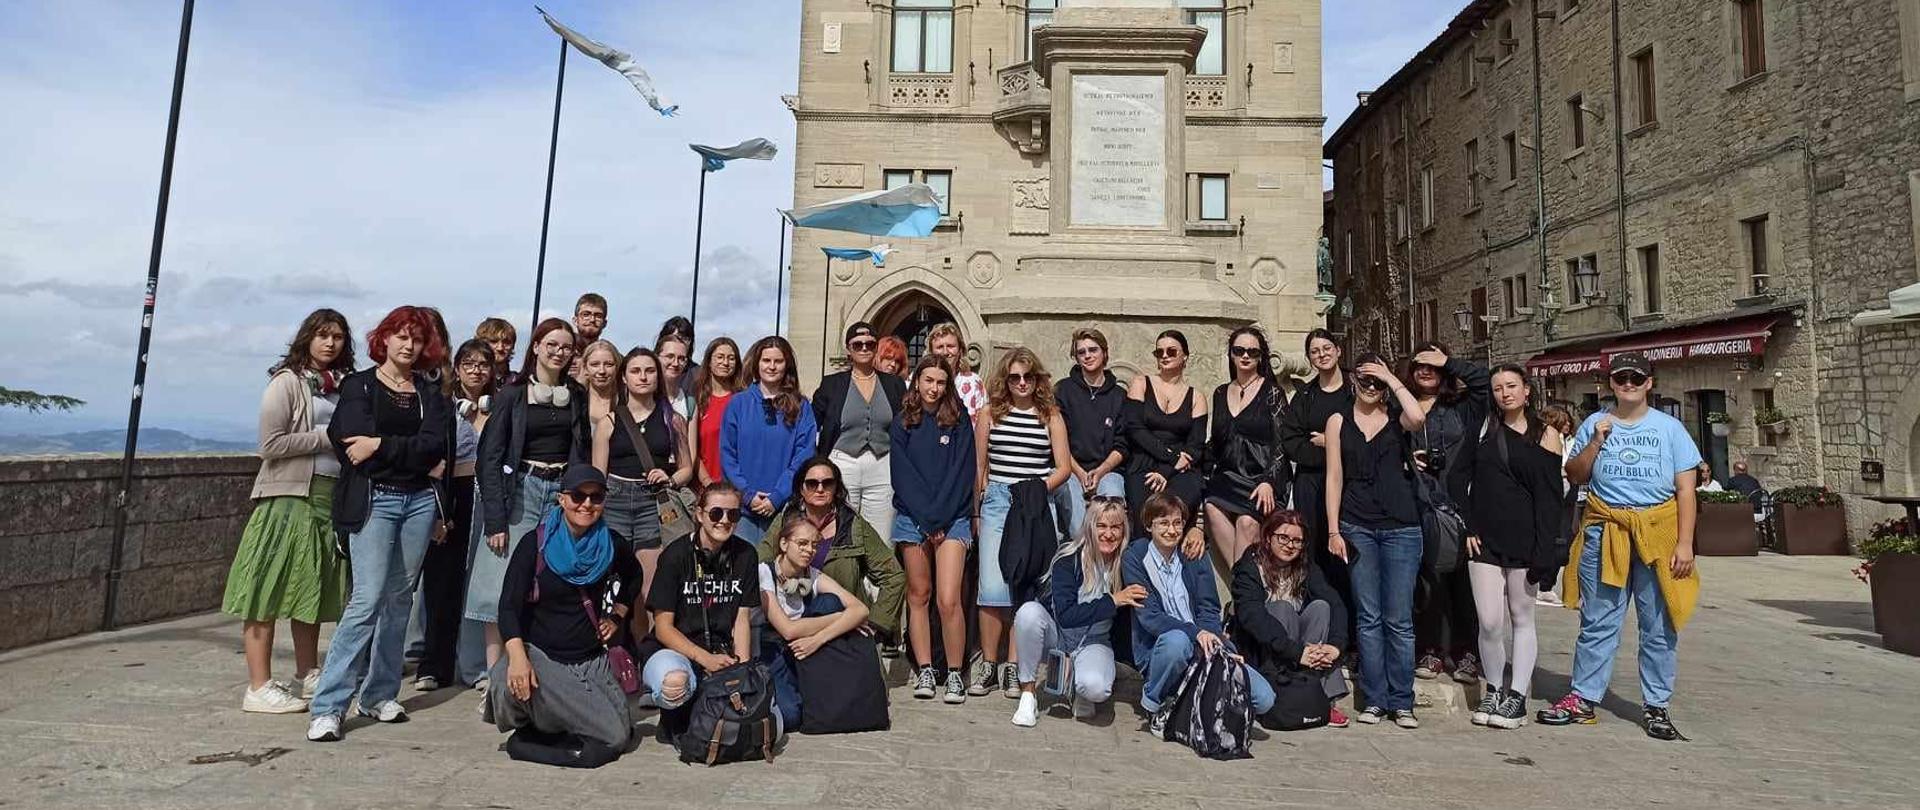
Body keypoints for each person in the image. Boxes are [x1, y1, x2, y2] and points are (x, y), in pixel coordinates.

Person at [306, 306, 452, 742]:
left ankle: (379, 694)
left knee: (399, 599)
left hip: (419, 502)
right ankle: (329, 706)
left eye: (417, 339)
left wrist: (380, 445)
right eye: (401, 336)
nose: (409, 345)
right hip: (376, 500)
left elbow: (433, 448)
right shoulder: (360, 385)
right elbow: (351, 444)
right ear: (384, 339)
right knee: (366, 600)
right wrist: (401, 452)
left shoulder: (429, 393)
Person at [1539, 352, 1701, 742]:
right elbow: (1575, 474)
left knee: (1658, 624)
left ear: (1649, 383)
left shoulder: (1670, 429)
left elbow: (1686, 490)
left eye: (1636, 378)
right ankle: (1583, 698)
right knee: (1598, 621)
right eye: (1621, 378)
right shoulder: (1595, 423)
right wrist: (1596, 441)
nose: (1628, 384)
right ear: (1611, 383)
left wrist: (1685, 544)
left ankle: (1656, 704)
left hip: (1656, 532)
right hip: (1607, 530)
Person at [223, 308, 355, 713]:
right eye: (322, 335)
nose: (330, 343)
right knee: (266, 587)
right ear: (307, 338)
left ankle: (306, 673)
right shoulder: (287, 382)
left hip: (327, 498)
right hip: (288, 496)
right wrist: (327, 437)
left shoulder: (342, 385)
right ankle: (258, 685)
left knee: (309, 590)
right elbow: (271, 444)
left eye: (337, 337)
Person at [486, 465, 640, 764]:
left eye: (596, 497)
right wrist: (517, 659)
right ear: (562, 499)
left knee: (620, 735)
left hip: (590, 658)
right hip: (543, 658)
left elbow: (633, 576)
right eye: (578, 496)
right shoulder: (536, 544)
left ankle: (546, 727)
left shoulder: (610, 543)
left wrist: (617, 616)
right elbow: (508, 606)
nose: (587, 504)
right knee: (610, 737)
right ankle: (532, 740)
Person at [472, 319, 591, 686]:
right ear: (536, 346)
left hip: (559, 493)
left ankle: (540, 671)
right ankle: (495, 679)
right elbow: (489, 457)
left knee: (547, 582)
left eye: (566, 347)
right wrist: (495, 519)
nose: (559, 352)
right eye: (552, 344)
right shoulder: (513, 393)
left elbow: (581, 450)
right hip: (520, 489)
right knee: (498, 587)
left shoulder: (576, 395)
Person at [1324, 351, 1427, 729]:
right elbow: (1334, 476)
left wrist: (1392, 378)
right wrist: (1333, 529)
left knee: (1399, 618)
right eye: (1365, 379)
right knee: (1368, 617)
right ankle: (1375, 699)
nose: (1371, 387)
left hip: (1402, 525)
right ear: (1353, 381)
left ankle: (1402, 701)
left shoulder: (1398, 417)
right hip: (1357, 525)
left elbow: (1419, 417)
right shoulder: (1337, 420)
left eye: (1377, 382)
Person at [1463, 365, 1565, 729]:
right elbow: (1459, 478)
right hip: (1485, 539)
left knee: (1522, 618)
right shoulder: (1482, 429)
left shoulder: (1546, 434)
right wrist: (1468, 525)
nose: (1505, 393)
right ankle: (1493, 688)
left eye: (1511, 386)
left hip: (1526, 539)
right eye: (1497, 388)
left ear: (1526, 390)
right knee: (1489, 621)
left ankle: (1517, 696)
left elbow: (1551, 498)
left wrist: (1546, 550)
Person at [1125, 492, 1276, 735]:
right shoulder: (1135, 556)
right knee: (1177, 641)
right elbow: (1150, 617)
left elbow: (1208, 608)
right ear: (1149, 525)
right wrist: (1195, 633)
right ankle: (1153, 704)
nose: (1171, 530)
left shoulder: (1194, 553)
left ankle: (1194, 700)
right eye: (1163, 523)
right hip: (1162, 652)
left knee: (1264, 698)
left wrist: (1218, 645)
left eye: (1177, 523)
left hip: (1202, 647)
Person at [973, 347, 1075, 699]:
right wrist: (976, 510)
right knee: (991, 586)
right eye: (1014, 377)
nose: (1021, 383)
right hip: (998, 500)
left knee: (1024, 585)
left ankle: (1015, 667)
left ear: (1037, 379)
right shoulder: (989, 413)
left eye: (1027, 377)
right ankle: (989, 664)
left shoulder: (1050, 415)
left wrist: (1038, 488)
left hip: (1034, 504)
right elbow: (980, 466)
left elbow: (1064, 466)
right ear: (1005, 379)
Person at [890, 355, 979, 703]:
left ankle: (955, 672)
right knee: (918, 594)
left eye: (941, 382)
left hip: (951, 518)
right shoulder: (903, 421)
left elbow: (962, 473)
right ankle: (925, 668)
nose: (934, 388)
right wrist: (925, 520)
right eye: (928, 380)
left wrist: (939, 519)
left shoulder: (959, 421)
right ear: (917, 381)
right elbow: (902, 475)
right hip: (912, 518)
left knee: (948, 598)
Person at [1009, 497, 1142, 728]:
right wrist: (1113, 600)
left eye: (1115, 527)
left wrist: (1195, 532)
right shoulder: (1069, 559)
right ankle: (1028, 694)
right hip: (1060, 636)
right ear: (1090, 527)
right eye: (1101, 526)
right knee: (1028, 613)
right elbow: (1066, 616)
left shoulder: (1127, 561)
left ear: (1124, 530)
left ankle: (1079, 685)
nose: (1108, 534)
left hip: (1096, 640)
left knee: (1095, 688)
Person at [641, 482, 759, 738]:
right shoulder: (675, 555)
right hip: (676, 649)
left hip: (722, 650)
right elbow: (663, 628)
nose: (724, 521)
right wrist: (704, 659)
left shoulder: (746, 555)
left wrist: (742, 670)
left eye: (733, 514)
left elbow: (741, 620)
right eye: (716, 513)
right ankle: (671, 711)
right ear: (699, 514)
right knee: (674, 684)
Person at [1404, 341, 1491, 685]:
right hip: (1418, 500)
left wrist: (1449, 361)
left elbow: (1483, 381)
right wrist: (1409, 460)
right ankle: (1430, 649)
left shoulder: (1463, 406)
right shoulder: (1401, 406)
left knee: (1462, 582)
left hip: (1459, 502)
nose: (1426, 371)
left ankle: (1466, 652)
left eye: (1433, 366)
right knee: (1427, 581)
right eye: (1420, 365)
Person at [592, 347, 694, 639]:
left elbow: (687, 468)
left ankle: (647, 652)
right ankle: (613, 650)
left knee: (649, 589)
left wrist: (670, 479)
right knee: (612, 585)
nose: (643, 377)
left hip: (653, 503)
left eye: (649, 370)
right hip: (615, 501)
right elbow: (597, 476)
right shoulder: (609, 422)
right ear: (624, 378)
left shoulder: (673, 419)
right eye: (635, 371)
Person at [759, 457, 906, 652]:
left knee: (830, 603)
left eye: (827, 483)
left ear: (836, 488)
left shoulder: (853, 525)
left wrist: (876, 624)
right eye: (812, 483)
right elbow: (758, 564)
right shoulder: (786, 520)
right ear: (801, 489)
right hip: (791, 624)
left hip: (843, 629)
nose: (820, 489)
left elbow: (894, 576)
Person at [415, 339, 492, 691]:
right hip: (451, 495)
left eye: (483, 364)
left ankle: (475, 666)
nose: (476, 370)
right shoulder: (442, 405)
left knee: (479, 582)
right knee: (441, 581)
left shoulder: (499, 407)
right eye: (469, 363)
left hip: (487, 496)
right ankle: (434, 665)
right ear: (457, 368)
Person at [1230, 509, 1351, 729]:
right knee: (1282, 608)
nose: (1290, 545)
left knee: (1321, 608)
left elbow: (1336, 603)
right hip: (1261, 648)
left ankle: (1319, 696)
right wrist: (1297, 653)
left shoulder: (1305, 566)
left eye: (1297, 541)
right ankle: (1282, 691)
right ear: (1268, 538)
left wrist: (1335, 647)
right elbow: (1252, 617)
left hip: (1300, 649)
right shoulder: (1250, 566)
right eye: (1283, 538)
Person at [758, 513, 875, 729]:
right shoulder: (764, 572)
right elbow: (788, 630)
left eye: (814, 545)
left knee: (830, 601)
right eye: (802, 543)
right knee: (791, 716)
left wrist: (818, 639)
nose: (809, 550)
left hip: (808, 647)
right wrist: (842, 617)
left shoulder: (811, 575)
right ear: (784, 544)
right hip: (773, 651)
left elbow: (861, 610)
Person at [1278, 329, 1356, 620]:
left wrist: (1332, 441)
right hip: (1311, 482)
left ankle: (1351, 625)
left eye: (1326, 348)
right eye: (1314, 351)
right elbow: (1291, 439)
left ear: (1338, 350)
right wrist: (1325, 453)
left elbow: (1366, 431)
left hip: (1350, 481)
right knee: (1314, 551)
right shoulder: (1306, 396)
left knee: (1346, 552)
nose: (1321, 354)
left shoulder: (1355, 389)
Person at [1202, 327, 1291, 566]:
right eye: (1239, 350)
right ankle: (1243, 581)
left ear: (1261, 357)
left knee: (1246, 522)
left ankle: (1242, 583)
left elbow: (1282, 443)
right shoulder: (1220, 392)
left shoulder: (1272, 392)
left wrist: (1269, 481)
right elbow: (1217, 441)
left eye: (1252, 352)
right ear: (1231, 354)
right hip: (1229, 476)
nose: (1245, 356)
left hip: (1261, 478)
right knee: (1211, 505)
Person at [812, 322, 906, 544]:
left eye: (870, 344)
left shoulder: (894, 385)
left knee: (881, 538)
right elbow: (811, 424)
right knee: (841, 533)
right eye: (858, 344)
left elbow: (904, 424)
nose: (864, 348)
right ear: (849, 349)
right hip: (843, 462)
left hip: (882, 464)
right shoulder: (832, 384)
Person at [722, 336, 817, 544]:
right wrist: (747, 495)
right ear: (757, 364)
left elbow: (804, 456)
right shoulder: (738, 404)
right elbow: (728, 455)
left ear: (787, 365)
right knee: (744, 562)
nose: (772, 366)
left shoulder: (802, 407)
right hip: (743, 507)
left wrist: (778, 496)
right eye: (766, 360)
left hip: (783, 508)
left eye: (778, 361)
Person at [1124, 330, 1207, 532]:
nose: (1164, 356)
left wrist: (1166, 470)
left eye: (1171, 351)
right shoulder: (1141, 383)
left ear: (1184, 356)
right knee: (1146, 517)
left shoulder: (1197, 397)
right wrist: (1170, 458)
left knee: (1177, 511)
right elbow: (1135, 429)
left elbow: (1195, 446)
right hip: (1144, 462)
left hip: (1181, 468)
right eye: (1159, 352)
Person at [1056, 327, 1129, 538]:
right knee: (1068, 491)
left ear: (1104, 353)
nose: (1087, 355)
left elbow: (1123, 444)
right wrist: (1080, 473)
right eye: (1081, 352)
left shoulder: (1119, 396)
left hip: (1108, 470)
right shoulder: (1063, 390)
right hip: (1070, 469)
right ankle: (1085, 546)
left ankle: (1109, 552)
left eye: (1093, 350)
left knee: (1113, 494)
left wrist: (1101, 471)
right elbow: (1058, 441)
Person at [693, 337, 744, 487]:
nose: (725, 363)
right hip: (704, 486)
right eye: (720, 357)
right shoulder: (696, 399)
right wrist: (707, 483)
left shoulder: (743, 401)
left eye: (731, 358)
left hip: (737, 487)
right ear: (709, 361)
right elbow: (691, 450)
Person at [928, 322, 984, 416]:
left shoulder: (973, 383)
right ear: (931, 352)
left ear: (960, 351)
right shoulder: (918, 379)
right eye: (939, 347)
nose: (945, 352)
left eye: (950, 346)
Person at [657, 316, 701, 405]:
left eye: (685, 339)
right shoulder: (649, 367)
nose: (680, 342)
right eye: (677, 337)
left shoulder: (698, 374)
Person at [577, 339, 621, 425]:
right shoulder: (575, 401)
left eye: (609, 364)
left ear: (617, 367)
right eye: (595, 365)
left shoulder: (627, 402)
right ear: (585, 368)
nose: (602, 371)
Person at [657, 331, 696, 423]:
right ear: (657, 357)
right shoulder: (644, 397)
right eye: (670, 356)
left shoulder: (689, 403)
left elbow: (691, 433)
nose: (675, 363)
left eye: (681, 359)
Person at [475, 317, 519, 388]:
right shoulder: (470, 379)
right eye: (493, 341)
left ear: (513, 346)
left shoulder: (518, 382)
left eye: (506, 342)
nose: (500, 348)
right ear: (481, 344)